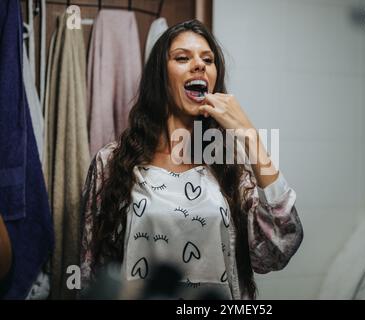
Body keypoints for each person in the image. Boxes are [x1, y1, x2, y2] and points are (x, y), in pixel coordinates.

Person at [80, 19, 303, 300]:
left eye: (207, 59)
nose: (199, 65)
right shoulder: (110, 162)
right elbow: (93, 273)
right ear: (160, 77)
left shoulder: (231, 163)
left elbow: (278, 250)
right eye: (183, 58)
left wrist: (249, 135)